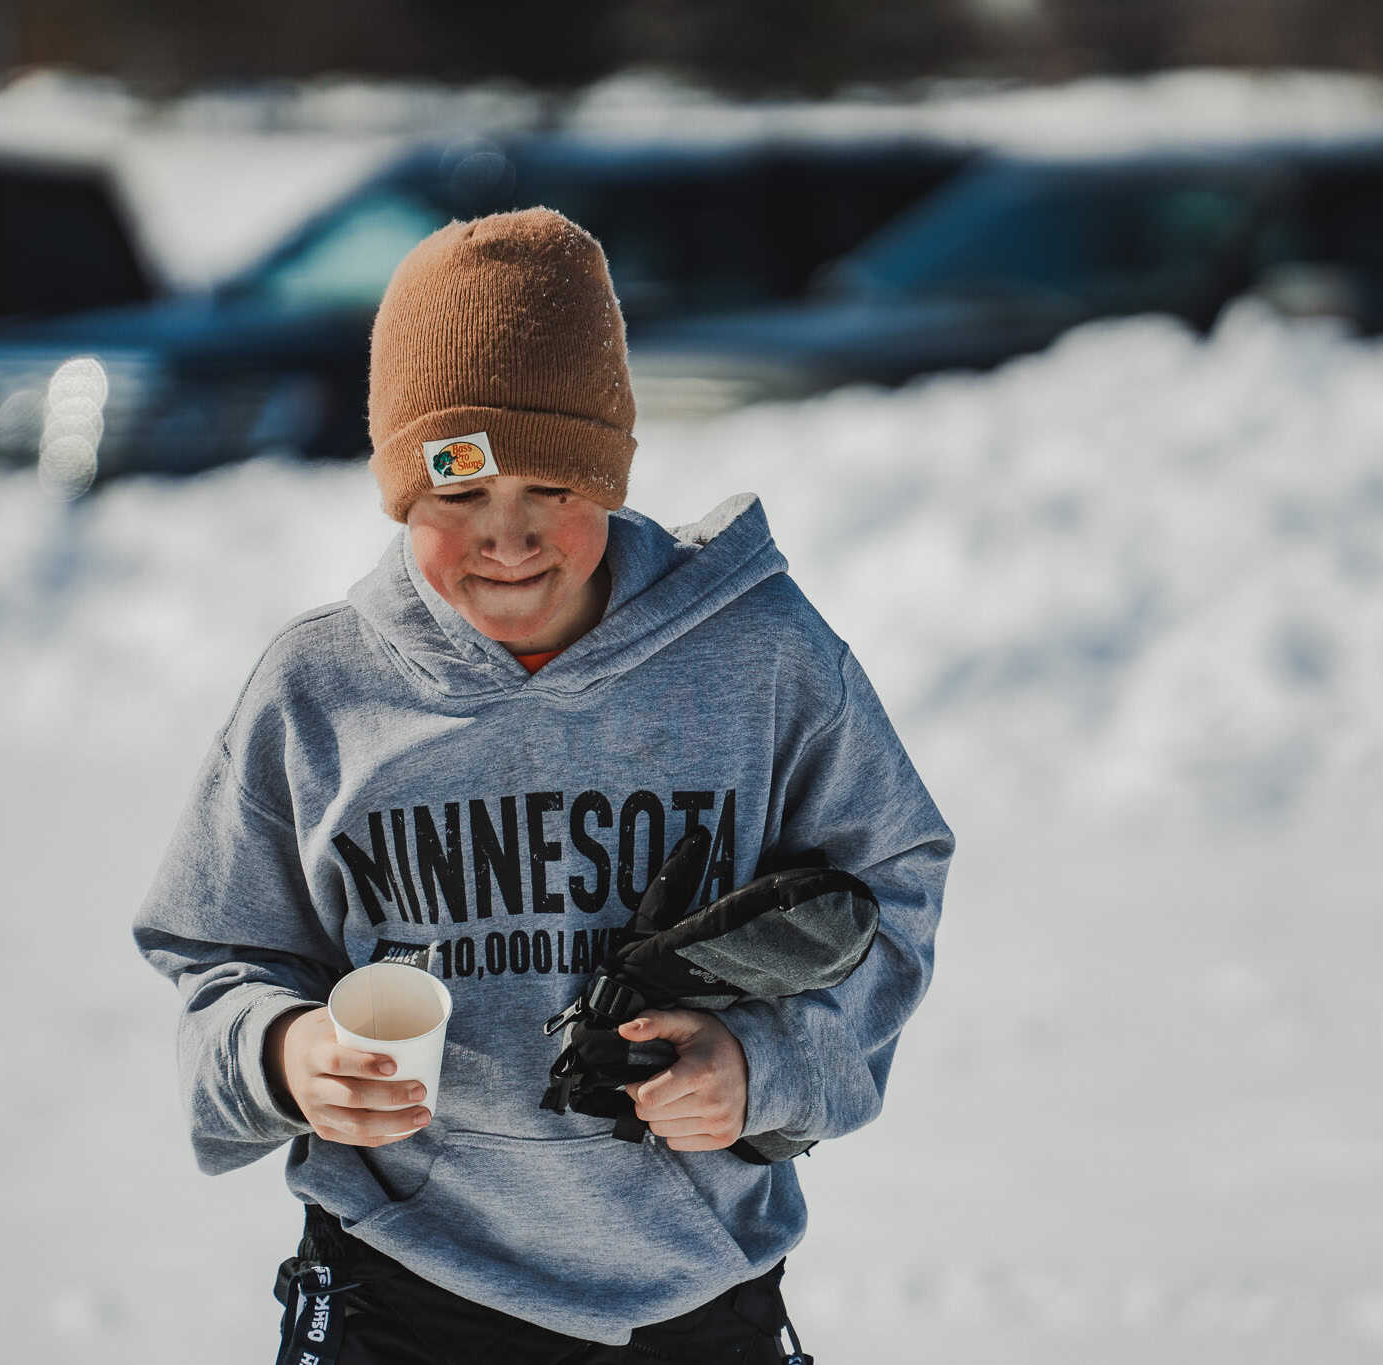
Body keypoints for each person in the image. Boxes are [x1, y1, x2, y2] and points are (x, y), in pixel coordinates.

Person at [132, 207, 954, 1364]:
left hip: (691, 1290)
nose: (507, 541)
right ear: (399, 492)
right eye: (457, 495)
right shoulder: (318, 689)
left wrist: (762, 1067)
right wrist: (281, 1054)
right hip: (397, 1287)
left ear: (608, 474)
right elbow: (219, 950)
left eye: (551, 490)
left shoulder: (762, 655)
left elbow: (893, 882)